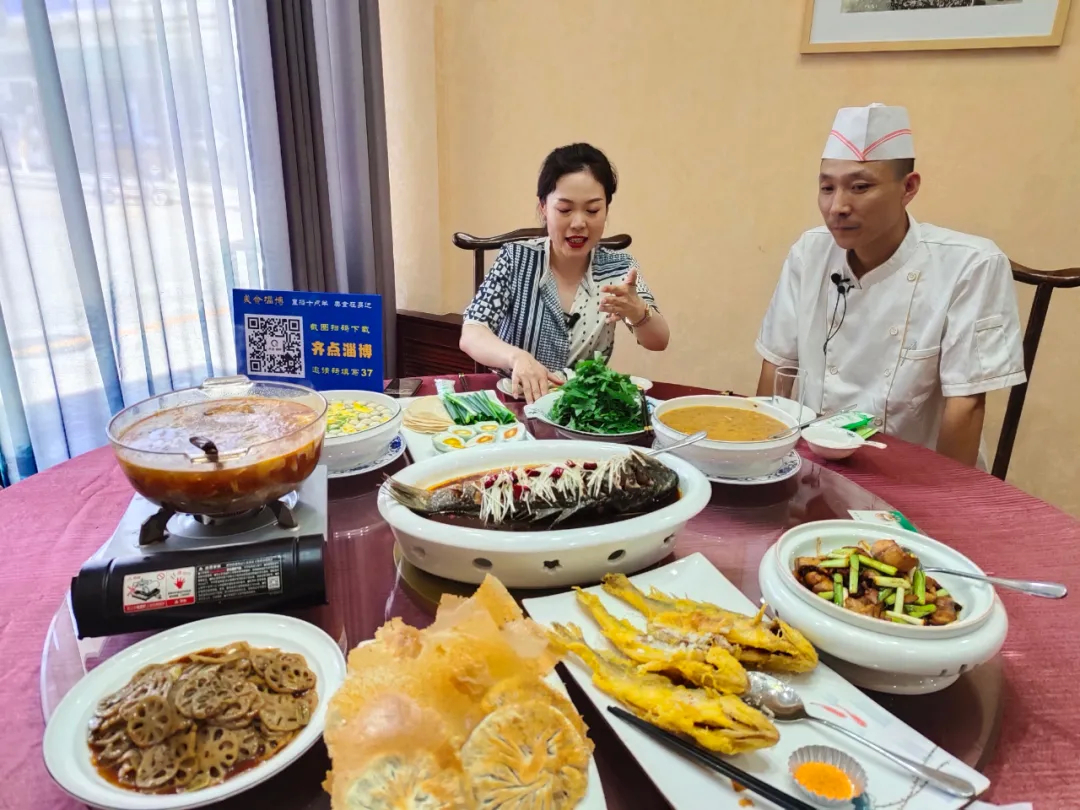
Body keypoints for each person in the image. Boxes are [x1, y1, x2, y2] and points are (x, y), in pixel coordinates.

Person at [755, 103, 1025, 468]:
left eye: (860, 187)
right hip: (814, 463)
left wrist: (944, 508)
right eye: (826, 187)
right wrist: (759, 463)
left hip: (914, 476)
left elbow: (966, 404)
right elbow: (777, 368)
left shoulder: (970, 264)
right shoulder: (810, 252)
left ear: (908, 187)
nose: (838, 206)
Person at [459, 143, 670, 403]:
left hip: (583, 408)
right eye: (565, 210)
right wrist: (517, 358)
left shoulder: (618, 268)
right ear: (543, 208)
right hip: (515, 402)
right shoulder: (516, 258)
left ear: (606, 211)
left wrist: (638, 312)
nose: (579, 223)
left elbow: (658, 341)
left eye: (592, 210)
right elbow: (472, 333)